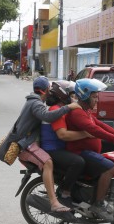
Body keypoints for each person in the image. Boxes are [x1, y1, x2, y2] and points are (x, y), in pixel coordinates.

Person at [65, 79, 114, 221]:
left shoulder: (85, 111)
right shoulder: (77, 113)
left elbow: (101, 124)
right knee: (109, 167)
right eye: (94, 97)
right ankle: (98, 204)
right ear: (85, 96)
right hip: (80, 152)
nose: (97, 100)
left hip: (89, 152)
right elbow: (94, 129)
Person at [15, 76, 81, 213]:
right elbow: (48, 117)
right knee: (48, 162)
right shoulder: (36, 103)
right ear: (46, 90)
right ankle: (54, 202)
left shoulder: (35, 101)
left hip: (31, 142)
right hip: (26, 144)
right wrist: (69, 107)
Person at [41, 81, 90, 208]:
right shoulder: (55, 110)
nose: (75, 98)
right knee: (78, 162)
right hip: (52, 150)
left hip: (61, 148)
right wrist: (86, 134)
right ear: (64, 95)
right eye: (72, 95)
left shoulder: (63, 109)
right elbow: (63, 135)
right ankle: (65, 193)